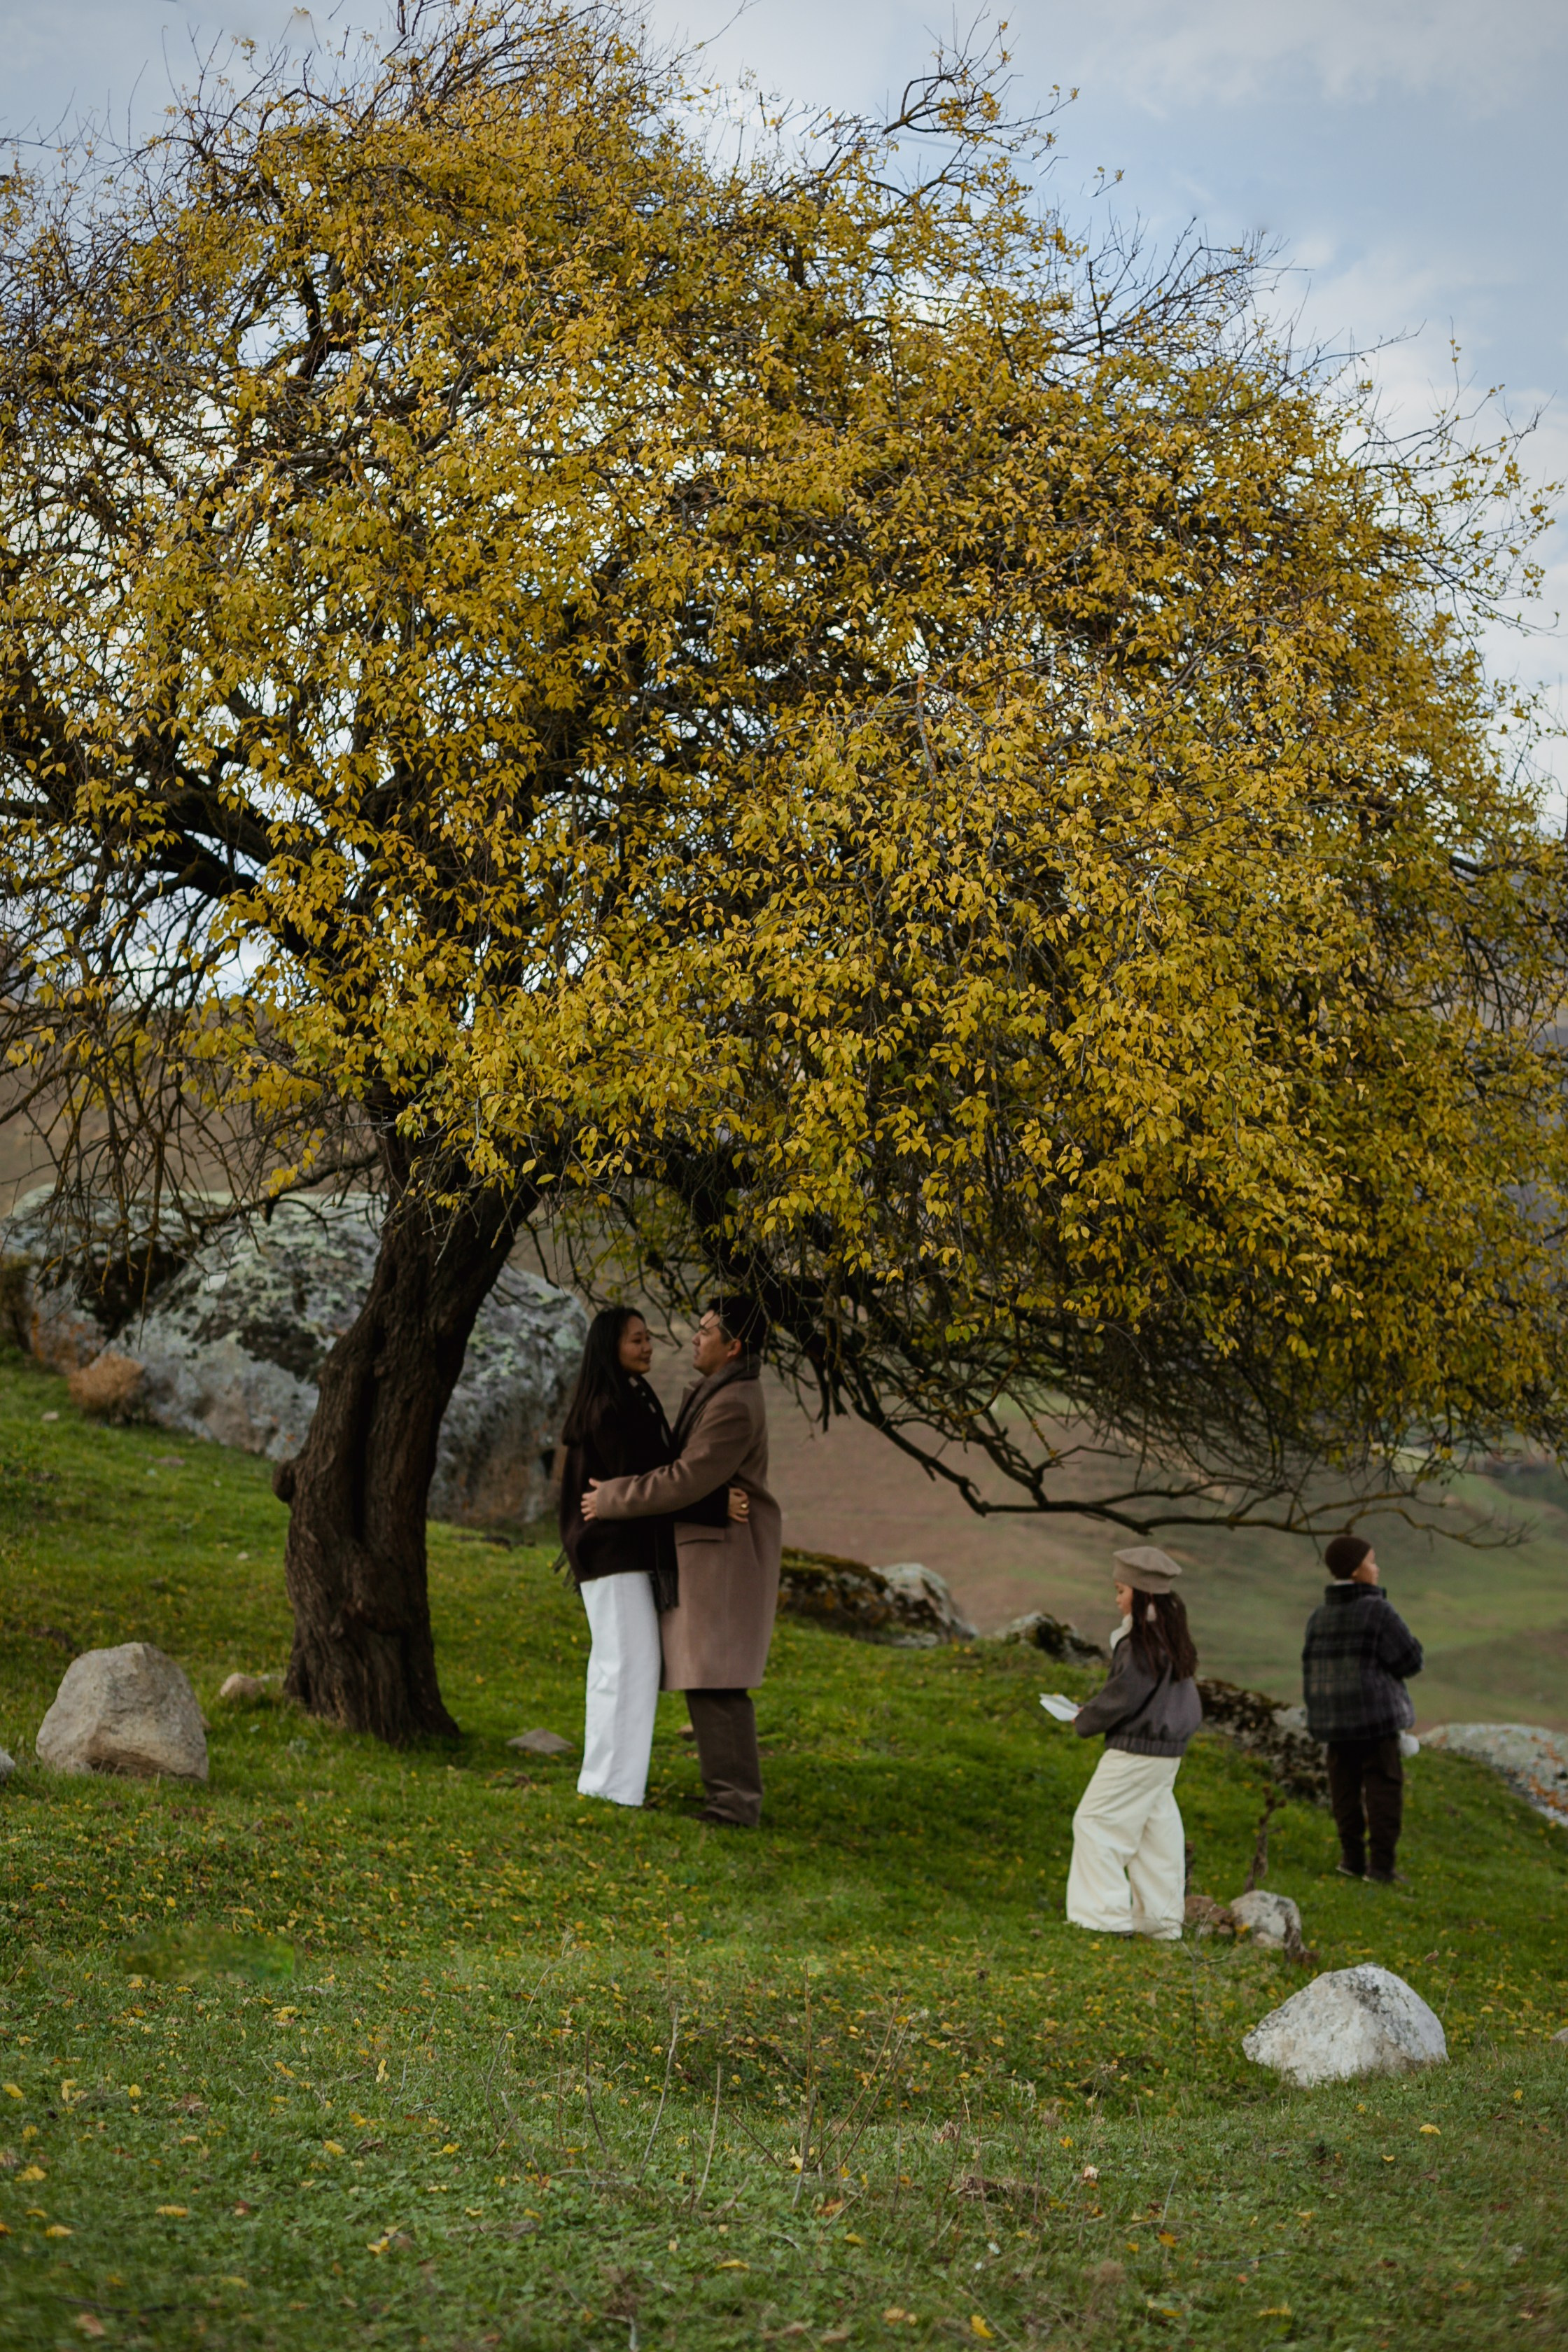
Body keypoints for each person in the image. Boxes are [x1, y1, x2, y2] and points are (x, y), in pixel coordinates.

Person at [582, 1294, 780, 1826]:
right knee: (709, 1679)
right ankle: (728, 1800)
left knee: (717, 1681)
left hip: (723, 1558)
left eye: (706, 1330)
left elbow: (686, 1479)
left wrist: (612, 1498)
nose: (695, 1337)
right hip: (709, 1551)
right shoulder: (719, 1394)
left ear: (733, 1345)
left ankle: (734, 1805)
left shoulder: (733, 1404)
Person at [1064, 1546, 1203, 1940]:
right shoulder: (1171, 1638)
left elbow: (1124, 1695)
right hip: (1167, 1753)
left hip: (1136, 1750)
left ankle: (1102, 1918)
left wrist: (1086, 1717)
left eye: (1122, 1589)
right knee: (1154, 1835)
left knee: (1095, 1824)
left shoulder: (1141, 1640)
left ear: (1141, 1593)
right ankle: (1160, 1922)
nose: (1117, 1598)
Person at [1302, 1533, 1423, 1884]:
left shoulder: (1318, 1616)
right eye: (1372, 1561)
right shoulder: (1378, 1610)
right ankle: (1382, 1868)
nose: (1377, 1567)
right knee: (1383, 1789)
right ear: (1357, 1571)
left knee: (1344, 1791)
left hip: (1333, 1722)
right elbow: (1410, 1660)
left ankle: (1351, 1860)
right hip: (1376, 1721)